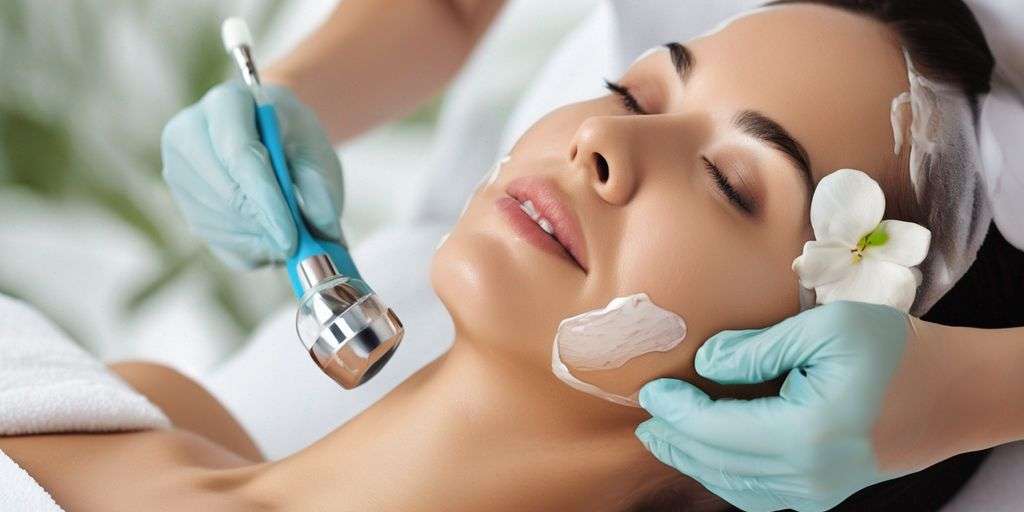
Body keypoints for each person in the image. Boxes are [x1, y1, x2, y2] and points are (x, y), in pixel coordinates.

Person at [76, 2, 1015, 512]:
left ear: (800, 379)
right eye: (636, 92)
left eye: (733, 186)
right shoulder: (112, 411)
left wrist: (985, 387)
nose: (602, 140)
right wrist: (290, 95)